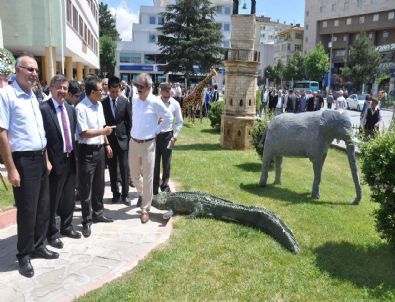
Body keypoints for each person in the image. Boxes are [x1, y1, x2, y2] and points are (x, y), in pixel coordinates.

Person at [0, 56, 58, 278]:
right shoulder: (6, 95)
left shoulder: (33, 95)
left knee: (43, 206)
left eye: (36, 70)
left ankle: (38, 245)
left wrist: (45, 159)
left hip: (40, 159)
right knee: (27, 210)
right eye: (30, 69)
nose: (35, 73)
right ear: (17, 70)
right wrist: (12, 168)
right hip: (23, 161)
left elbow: (39, 131)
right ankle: (23, 254)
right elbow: (2, 133)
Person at [40, 75, 81, 250]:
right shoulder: (43, 109)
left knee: (69, 198)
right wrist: (46, 160)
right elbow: (41, 138)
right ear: (50, 88)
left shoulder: (71, 110)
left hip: (69, 159)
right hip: (53, 163)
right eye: (58, 87)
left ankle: (66, 226)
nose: (62, 91)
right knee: (53, 200)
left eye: (65, 88)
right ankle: (52, 233)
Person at [129, 73, 172, 223]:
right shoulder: (134, 99)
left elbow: (169, 119)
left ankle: (145, 209)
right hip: (133, 142)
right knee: (134, 175)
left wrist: (156, 131)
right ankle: (142, 194)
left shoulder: (156, 102)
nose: (137, 89)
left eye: (140, 87)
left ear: (148, 87)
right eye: (136, 86)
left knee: (148, 177)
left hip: (148, 144)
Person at [76, 75, 115, 238]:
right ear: (92, 92)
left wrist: (106, 143)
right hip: (86, 152)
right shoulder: (81, 108)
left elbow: (101, 126)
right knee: (86, 188)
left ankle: (98, 213)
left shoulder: (98, 105)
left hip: (99, 150)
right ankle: (86, 221)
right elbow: (83, 133)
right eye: (101, 90)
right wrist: (103, 132)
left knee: (99, 185)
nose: (103, 91)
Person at [102, 76, 132, 205]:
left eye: (117, 92)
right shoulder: (102, 103)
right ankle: (115, 193)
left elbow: (129, 121)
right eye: (112, 92)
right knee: (112, 167)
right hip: (109, 141)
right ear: (108, 90)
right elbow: (102, 123)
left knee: (125, 167)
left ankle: (125, 194)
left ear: (120, 90)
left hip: (123, 139)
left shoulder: (125, 102)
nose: (115, 94)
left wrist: (129, 139)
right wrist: (106, 142)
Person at [153, 82, 183, 195]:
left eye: (169, 93)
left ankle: (164, 186)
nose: (167, 96)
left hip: (168, 136)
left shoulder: (175, 104)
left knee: (167, 163)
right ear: (161, 91)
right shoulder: (155, 102)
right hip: (155, 136)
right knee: (154, 164)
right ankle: (154, 188)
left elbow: (180, 121)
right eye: (165, 93)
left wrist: (175, 136)